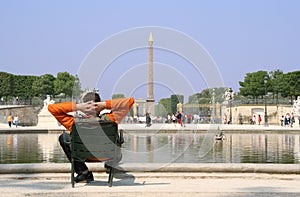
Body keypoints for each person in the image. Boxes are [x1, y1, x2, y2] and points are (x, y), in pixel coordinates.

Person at [48, 91, 134, 183]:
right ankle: (110, 165)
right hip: (108, 156)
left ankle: (83, 172)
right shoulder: (111, 119)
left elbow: (52, 108)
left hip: (83, 156)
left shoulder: (74, 123)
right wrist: (104, 105)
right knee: (118, 139)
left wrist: (77, 106)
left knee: (63, 137)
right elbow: (130, 101)